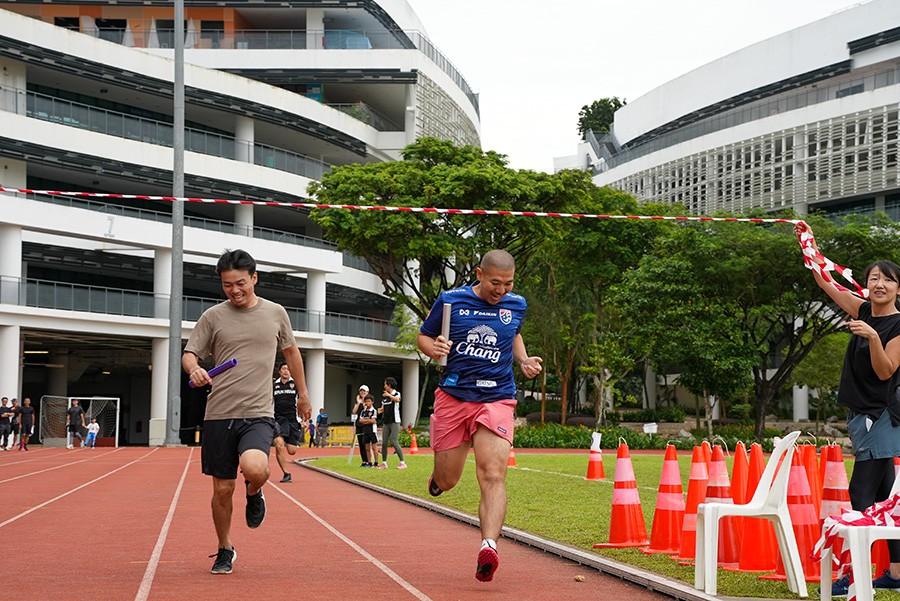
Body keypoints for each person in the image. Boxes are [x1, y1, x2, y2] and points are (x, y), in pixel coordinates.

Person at [183, 249, 311, 575]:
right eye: (227, 285)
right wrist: (195, 368)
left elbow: (292, 353)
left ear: (254, 278)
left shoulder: (275, 313)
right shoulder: (213, 316)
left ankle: (254, 492)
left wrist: (303, 394)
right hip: (219, 414)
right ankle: (225, 547)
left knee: (256, 468)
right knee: (222, 489)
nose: (235, 290)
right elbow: (190, 354)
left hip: (258, 412)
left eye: (241, 283)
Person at [417, 249, 542, 583]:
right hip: (454, 396)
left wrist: (524, 360)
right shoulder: (451, 301)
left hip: (497, 397)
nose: (501, 290)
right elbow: (423, 335)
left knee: (493, 474)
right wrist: (433, 349)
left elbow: (514, 333)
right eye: (495, 283)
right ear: (479, 274)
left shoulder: (516, 304)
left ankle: (489, 546)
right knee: (449, 480)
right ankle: (437, 480)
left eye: (508, 283)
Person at [799, 225, 900, 596]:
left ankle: (855, 574)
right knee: (886, 497)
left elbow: (886, 371)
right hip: (862, 414)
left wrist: (872, 337)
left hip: (881, 416)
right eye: (874, 278)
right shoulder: (862, 309)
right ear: (867, 285)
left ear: (898, 289)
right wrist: (810, 251)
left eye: (887, 279)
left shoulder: (897, 325)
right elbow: (828, 285)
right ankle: (896, 573)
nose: (879, 284)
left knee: (861, 494)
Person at [272, 362, 303, 483]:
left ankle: (288, 438)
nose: (286, 371)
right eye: (284, 369)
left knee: (291, 451)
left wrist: (303, 420)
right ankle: (286, 473)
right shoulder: (274, 385)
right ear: (280, 371)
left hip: (292, 420)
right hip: (279, 420)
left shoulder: (295, 385)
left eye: (288, 369)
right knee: (279, 445)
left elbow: (302, 402)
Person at [377, 377, 407, 470]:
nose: (384, 386)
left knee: (394, 440)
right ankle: (384, 463)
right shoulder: (385, 397)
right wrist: (379, 411)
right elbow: (382, 409)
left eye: (385, 384)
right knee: (384, 443)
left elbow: (397, 400)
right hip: (386, 422)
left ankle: (402, 463)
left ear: (389, 385)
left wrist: (389, 395)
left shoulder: (396, 393)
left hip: (395, 421)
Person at [357, 394, 379, 467]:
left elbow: (373, 421)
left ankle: (376, 462)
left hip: (372, 431)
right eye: (366, 401)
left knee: (374, 447)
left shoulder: (374, 410)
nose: (367, 403)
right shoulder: (363, 411)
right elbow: (360, 420)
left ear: (372, 402)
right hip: (365, 430)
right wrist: (368, 420)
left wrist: (365, 420)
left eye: (369, 401)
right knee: (367, 448)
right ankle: (369, 462)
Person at [352, 385, 370, 466]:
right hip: (359, 425)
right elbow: (354, 411)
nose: (362, 392)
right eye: (361, 391)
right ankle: (364, 461)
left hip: (366, 425)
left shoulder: (369, 401)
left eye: (364, 391)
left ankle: (369, 461)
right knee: (361, 444)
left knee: (366, 444)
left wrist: (363, 402)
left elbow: (368, 410)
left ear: (367, 392)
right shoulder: (358, 401)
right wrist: (358, 403)